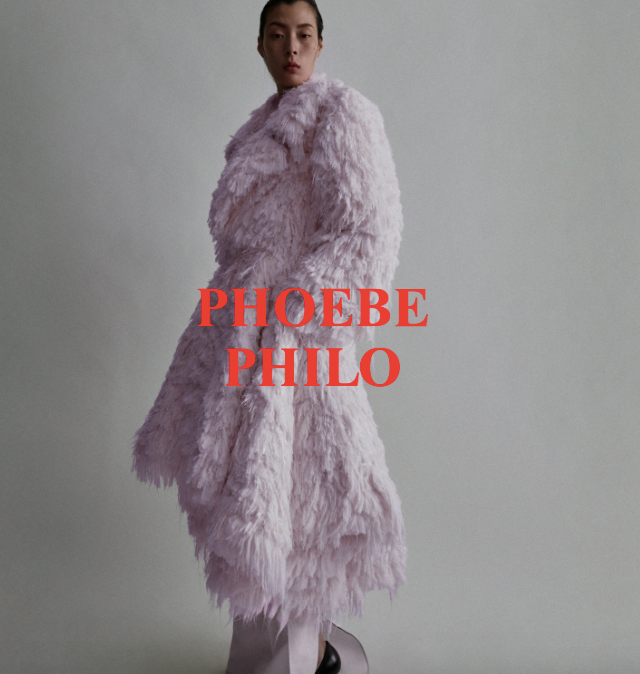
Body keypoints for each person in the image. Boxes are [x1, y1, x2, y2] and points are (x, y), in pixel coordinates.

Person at [132, 1, 407, 672]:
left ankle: (305, 658)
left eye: (304, 34)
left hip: (299, 343)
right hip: (237, 338)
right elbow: (237, 248)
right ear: (259, 44)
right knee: (252, 504)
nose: (291, 47)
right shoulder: (255, 132)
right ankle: (272, 657)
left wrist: (293, 309)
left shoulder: (342, 115)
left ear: (321, 43)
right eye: (277, 35)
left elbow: (367, 232)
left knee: (307, 503)